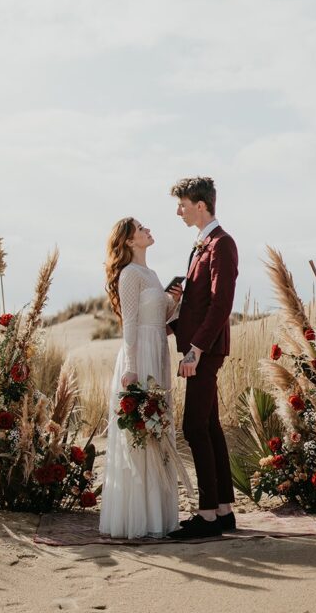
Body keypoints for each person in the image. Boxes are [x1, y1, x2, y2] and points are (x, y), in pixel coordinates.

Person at [99, 216, 183, 539]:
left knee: (158, 430)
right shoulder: (129, 274)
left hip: (158, 352)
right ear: (130, 241)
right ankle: (139, 517)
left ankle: (158, 515)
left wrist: (174, 301)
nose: (147, 229)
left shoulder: (152, 273)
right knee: (142, 434)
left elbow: (160, 321)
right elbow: (130, 324)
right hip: (139, 357)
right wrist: (131, 367)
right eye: (140, 228)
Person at [167, 177, 238, 539]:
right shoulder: (202, 243)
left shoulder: (222, 244)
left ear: (200, 204)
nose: (178, 211)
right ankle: (224, 511)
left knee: (193, 428)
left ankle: (207, 516)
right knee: (209, 427)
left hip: (205, 351)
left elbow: (221, 303)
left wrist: (196, 348)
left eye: (182, 204)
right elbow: (200, 299)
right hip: (198, 347)